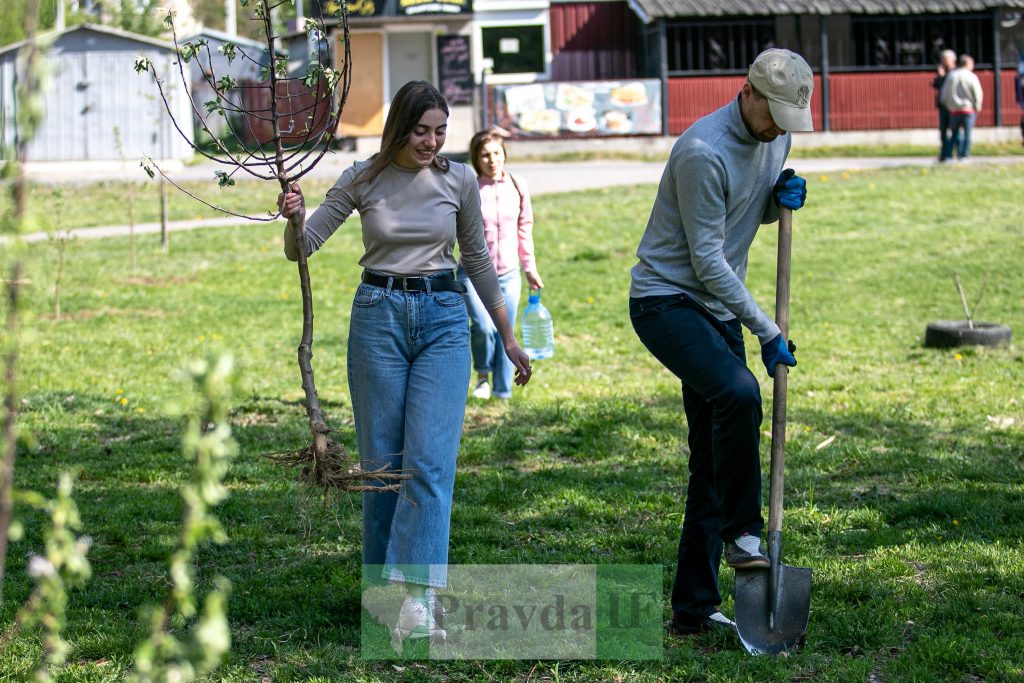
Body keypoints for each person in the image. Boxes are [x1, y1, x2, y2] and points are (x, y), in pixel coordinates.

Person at [278, 80, 532, 643]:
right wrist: (294, 216)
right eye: (421, 131)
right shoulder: (363, 177)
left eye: (441, 132)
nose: (432, 142)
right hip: (377, 317)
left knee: (431, 462)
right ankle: (381, 594)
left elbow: (479, 261)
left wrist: (507, 336)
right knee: (382, 466)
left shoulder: (458, 179)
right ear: (399, 126)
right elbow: (305, 245)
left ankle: (418, 599)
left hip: (443, 317)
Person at [628, 48, 811, 636]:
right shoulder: (701, 151)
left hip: (715, 303)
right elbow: (707, 259)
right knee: (738, 393)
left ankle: (694, 608)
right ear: (748, 92)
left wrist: (773, 201)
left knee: (712, 458)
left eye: (789, 119)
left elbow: (740, 216)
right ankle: (743, 532)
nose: (779, 128)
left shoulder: (775, 137)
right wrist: (767, 330)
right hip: (666, 301)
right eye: (774, 114)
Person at [459, 127, 544, 401]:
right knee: (484, 327)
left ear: (504, 155)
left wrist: (529, 268)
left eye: (496, 153)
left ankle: (503, 391)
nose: (492, 159)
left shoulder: (518, 185)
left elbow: (524, 228)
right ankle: (482, 375)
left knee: (505, 331)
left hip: (508, 274)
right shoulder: (470, 188)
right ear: (476, 158)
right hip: (471, 274)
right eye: (485, 155)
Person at [940, 54, 983, 161]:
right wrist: (977, 105)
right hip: (968, 110)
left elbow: (944, 94)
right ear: (968, 64)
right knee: (967, 134)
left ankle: (948, 155)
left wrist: (948, 105)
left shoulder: (951, 75)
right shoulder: (971, 76)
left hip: (954, 110)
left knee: (953, 134)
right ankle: (964, 155)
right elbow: (977, 92)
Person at [932, 49, 957, 162]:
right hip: (943, 106)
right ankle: (945, 154)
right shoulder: (942, 71)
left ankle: (958, 153)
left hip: (953, 106)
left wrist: (942, 77)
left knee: (955, 131)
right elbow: (935, 85)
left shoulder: (956, 72)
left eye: (945, 59)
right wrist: (939, 76)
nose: (943, 62)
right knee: (943, 132)